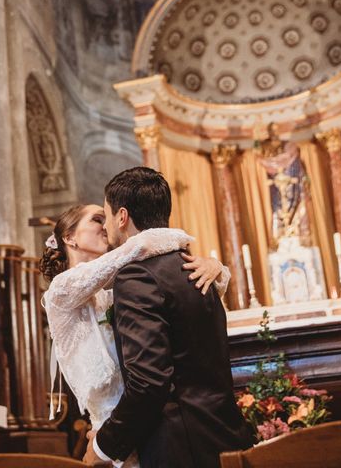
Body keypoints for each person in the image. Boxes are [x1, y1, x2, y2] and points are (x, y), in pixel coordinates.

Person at [84, 167, 253, 468]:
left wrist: (103, 445)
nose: (107, 225)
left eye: (107, 215)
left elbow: (149, 382)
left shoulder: (137, 276)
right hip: (224, 432)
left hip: (181, 446)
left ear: (122, 217)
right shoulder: (194, 267)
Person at [40, 204, 228, 467]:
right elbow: (137, 248)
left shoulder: (120, 286)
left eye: (107, 219)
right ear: (69, 238)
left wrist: (214, 267)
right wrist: (184, 243)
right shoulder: (61, 290)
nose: (106, 226)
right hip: (113, 430)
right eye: (97, 220)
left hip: (152, 424)